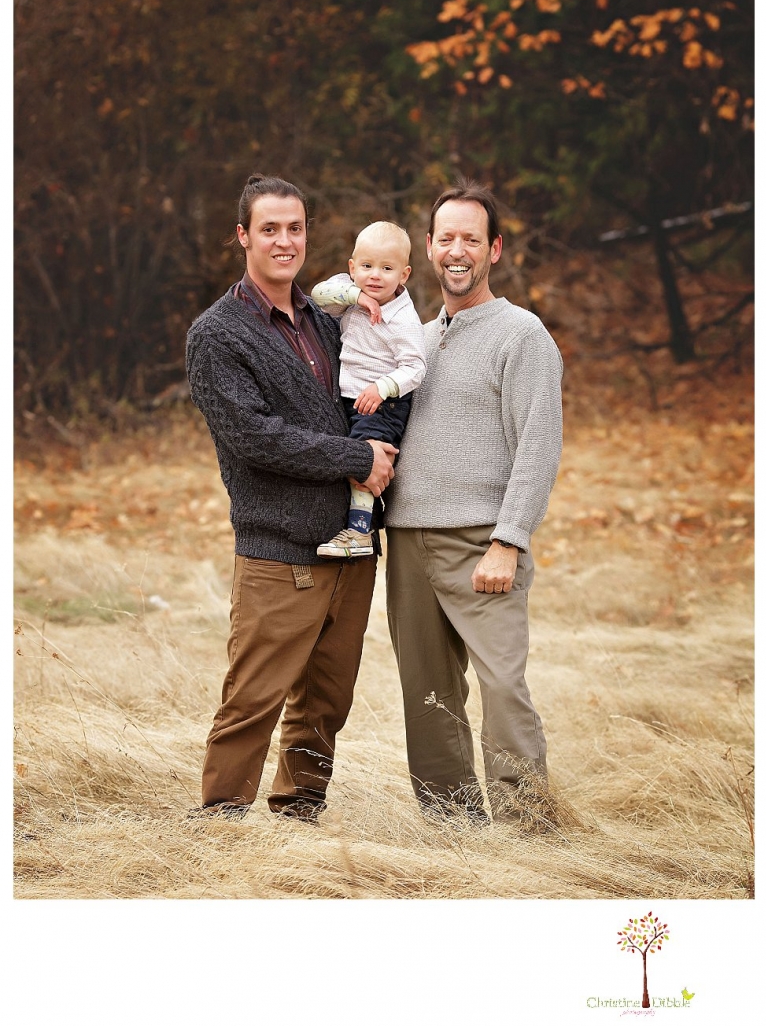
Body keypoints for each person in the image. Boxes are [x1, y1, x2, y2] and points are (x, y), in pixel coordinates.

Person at [185, 173, 398, 822]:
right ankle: (219, 821)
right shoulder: (218, 335)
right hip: (279, 549)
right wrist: (358, 457)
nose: (285, 240)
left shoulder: (326, 320)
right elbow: (255, 439)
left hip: (352, 547)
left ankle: (300, 813)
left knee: (326, 701)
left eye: (296, 228)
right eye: (270, 228)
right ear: (244, 236)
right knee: (253, 700)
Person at [384, 178, 563, 828]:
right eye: (446, 238)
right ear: (429, 248)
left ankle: (529, 831)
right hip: (406, 543)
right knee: (426, 695)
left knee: (503, 690)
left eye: (471, 239)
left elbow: (538, 447)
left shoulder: (523, 336)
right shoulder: (416, 344)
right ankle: (454, 830)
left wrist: (508, 540)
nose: (457, 251)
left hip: (482, 543)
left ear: (494, 249)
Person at [310, 221, 427, 558]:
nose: (375, 275)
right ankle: (352, 526)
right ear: (352, 267)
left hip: (384, 402)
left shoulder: (403, 319)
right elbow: (317, 296)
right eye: (366, 266)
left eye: (387, 269)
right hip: (351, 397)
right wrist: (355, 296)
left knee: (365, 454)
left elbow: (415, 367)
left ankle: (360, 532)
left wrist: (382, 387)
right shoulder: (350, 293)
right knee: (347, 455)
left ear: (404, 275)